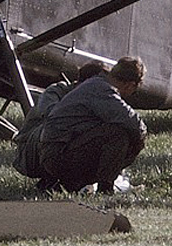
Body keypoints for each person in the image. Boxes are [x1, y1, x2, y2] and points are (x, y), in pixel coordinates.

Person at [38, 57, 147, 193]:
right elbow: (132, 122)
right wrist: (139, 139)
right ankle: (105, 189)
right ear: (130, 85)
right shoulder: (102, 90)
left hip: (55, 153)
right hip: (58, 156)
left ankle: (71, 183)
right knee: (118, 134)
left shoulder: (96, 84)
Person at [12, 62, 106, 181]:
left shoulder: (98, 101)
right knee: (56, 128)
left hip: (57, 150)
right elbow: (53, 117)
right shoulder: (57, 91)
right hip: (30, 153)